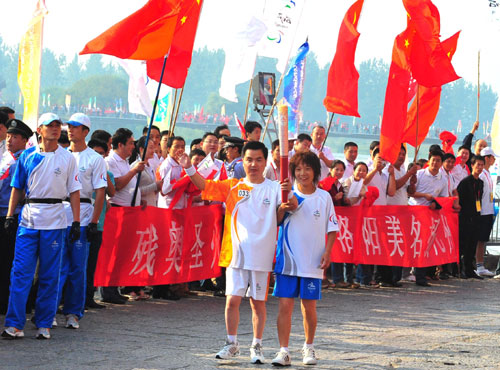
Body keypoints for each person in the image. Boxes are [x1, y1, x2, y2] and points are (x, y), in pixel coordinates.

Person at [178, 141, 295, 364]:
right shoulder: (233, 185)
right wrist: (188, 168)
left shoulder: (274, 187)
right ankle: (231, 343)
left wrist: (286, 198)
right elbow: (204, 184)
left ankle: (257, 346)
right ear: (243, 160)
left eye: (259, 159)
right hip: (236, 255)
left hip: (261, 257)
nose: (254, 164)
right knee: (232, 300)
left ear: (265, 161)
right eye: (249, 159)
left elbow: (288, 209)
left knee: (257, 304)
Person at [2, 113, 81, 340]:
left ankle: (44, 322)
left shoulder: (67, 158)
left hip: (55, 220)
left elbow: (74, 191)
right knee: (20, 274)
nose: (55, 129)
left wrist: (76, 221)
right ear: (40, 129)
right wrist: (10, 215)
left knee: (49, 275)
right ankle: (14, 324)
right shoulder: (27, 156)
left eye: (58, 126)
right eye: (50, 126)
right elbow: (17, 187)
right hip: (28, 219)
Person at [271, 152, 338, 366]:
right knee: (284, 306)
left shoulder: (324, 197)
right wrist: (282, 209)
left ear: (315, 172)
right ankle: (283, 351)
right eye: (298, 169)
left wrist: (327, 252)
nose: (303, 173)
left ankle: (309, 347)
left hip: (312, 261)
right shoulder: (287, 195)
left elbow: (332, 228)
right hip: (288, 260)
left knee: (309, 307)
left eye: (307, 169)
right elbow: (276, 222)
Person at [57, 113, 107, 329]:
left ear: (85, 131)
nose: (70, 130)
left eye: (75, 127)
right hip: (58, 214)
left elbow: (100, 192)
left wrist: (94, 222)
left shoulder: (94, 159)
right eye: (69, 126)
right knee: (56, 268)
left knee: (78, 268)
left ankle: (74, 313)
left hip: (84, 215)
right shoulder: (59, 155)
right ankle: (49, 311)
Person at [103, 128, 145, 304]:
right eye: (131, 143)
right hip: (117, 210)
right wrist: (134, 171)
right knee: (113, 252)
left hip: (129, 211)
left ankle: (116, 287)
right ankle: (108, 290)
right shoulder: (110, 161)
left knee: (122, 253)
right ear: (120, 145)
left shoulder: (125, 162)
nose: (133, 146)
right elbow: (118, 185)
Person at [0, 119, 32, 315]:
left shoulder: (25, 160)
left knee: (10, 261)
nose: (10, 140)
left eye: (15, 137)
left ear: (24, 140)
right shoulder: (5, 157)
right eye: (9, 136)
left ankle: (8, 302)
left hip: (13, 216)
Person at [411, 150, 451, 286]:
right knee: (414, 245)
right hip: (415, 214)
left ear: (441, 163)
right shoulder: (419, 174)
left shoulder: (443, 179)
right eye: (433, 160)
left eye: (438, 160)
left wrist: (436, 203)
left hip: (431, 216)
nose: (435, 163)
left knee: (425, 246)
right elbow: (411, 193)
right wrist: (424, 196)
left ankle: (421, 276)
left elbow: (444, 198)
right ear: (429, 160)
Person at [86, 139, 116, 308]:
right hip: (81, 221)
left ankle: (89, 296)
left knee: (92, 264)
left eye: (101, 154)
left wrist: (103, 173)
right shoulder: (81, 170)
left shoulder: (107, 173)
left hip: (98, 224)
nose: (97, 157)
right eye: (94, 153)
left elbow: (112, 192)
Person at [457, 155, 485, 279]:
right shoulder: (465, 182)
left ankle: (470, 269)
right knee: (463, 244)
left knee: (473, 244)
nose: (479, 167)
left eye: (481, 165)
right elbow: (460, 199)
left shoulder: (480, 183)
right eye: (477, 165)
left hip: (476, 217)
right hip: (465, 217)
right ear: (472, 165)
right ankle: (460, 270)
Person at [475, 148, 498, 277]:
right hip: (482, 212)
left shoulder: (488, 173)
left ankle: (480, 264)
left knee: (483, 239)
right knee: (480, 240)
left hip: (489, 211)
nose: (494, 160)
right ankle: (479, 265)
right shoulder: (482, 174)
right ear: (487, 158)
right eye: (492, 157)